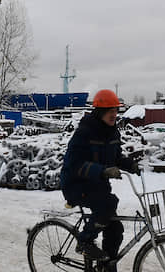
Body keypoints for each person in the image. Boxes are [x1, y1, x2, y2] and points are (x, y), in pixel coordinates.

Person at [60, 89, 140, 272]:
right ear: (99, 112)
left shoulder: (112, 133)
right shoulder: (84, 132)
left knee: (115, 228)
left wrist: (130, 165)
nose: (114, 114)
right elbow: (75, 165)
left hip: (97, 186)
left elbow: (116, 157)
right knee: (107, 205)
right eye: (109, 110)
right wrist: (103, 171)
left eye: (116, 110)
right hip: (75, 184)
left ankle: (106, 266)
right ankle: (84, 242)